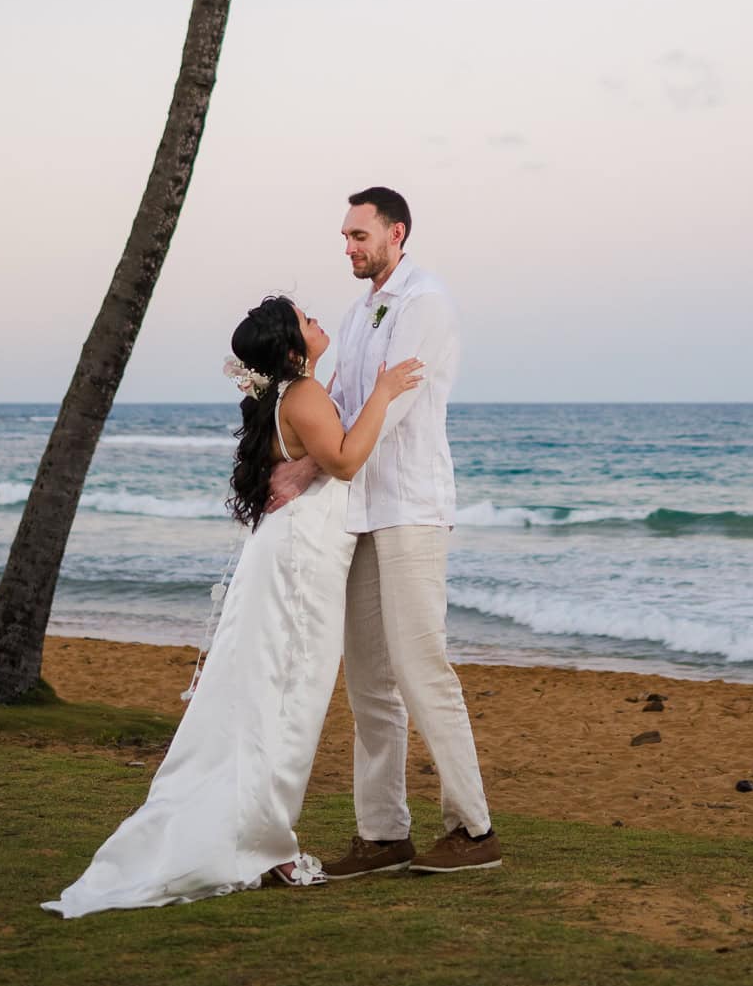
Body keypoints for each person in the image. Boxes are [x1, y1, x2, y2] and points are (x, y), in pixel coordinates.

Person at [43, 295, 421, 917]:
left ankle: (266, 836)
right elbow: (348, 460)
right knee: (289, 702)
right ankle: (268, 843)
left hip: (295, 558)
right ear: (293, 347)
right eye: (307, 319)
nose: (319, 320)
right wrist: (383, 391)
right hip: (299, 567)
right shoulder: (301, 396)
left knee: (275, 699)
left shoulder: (297, 394)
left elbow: (323, 444)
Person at [321, 185, 502, 878]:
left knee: (423, 669)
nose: (349, 247)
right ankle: (382, 834)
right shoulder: (357, 310)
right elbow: (344, 399)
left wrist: (325, 458)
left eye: (359, 235)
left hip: (411, 508)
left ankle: (474, 828)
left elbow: (392, 410)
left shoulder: (424, 301)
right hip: (359, 507)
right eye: (344, 236)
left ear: (396, 232)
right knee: (367, 678)